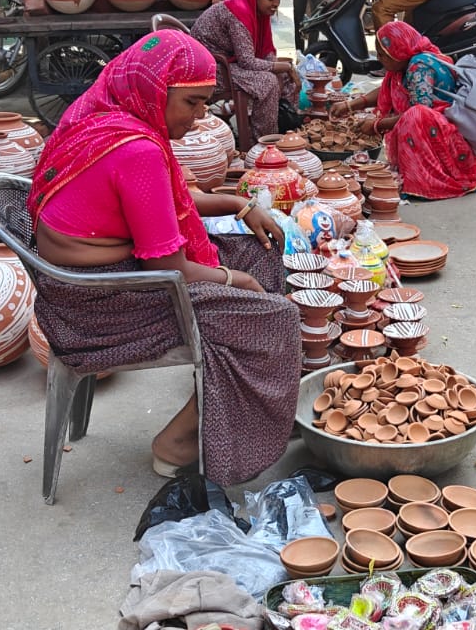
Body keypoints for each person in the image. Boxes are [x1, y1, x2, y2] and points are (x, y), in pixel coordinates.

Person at [27, 29, 300, 485]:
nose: (200, 116)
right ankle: (175, 444)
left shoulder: (106, 113)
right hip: (97, 303)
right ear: (156, 90)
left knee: (261, 256)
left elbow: (173, 207)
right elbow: (168, 267)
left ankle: (247, 396)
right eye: (191, 102)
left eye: (206, 103)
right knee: (272, 316)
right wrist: (235, 282)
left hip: (86, 277)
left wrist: (240, 204)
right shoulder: (136, 149)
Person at [329, 21, 476, 200]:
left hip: (450, 141)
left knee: (415, 117)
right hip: (438, 132)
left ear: (400, 50)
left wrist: (377, 125)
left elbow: (419, 112)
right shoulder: (404, 63)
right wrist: (350, 105)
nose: (379, 58)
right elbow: (387, 89)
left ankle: (425, 182)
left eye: (383, 55)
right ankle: (414, 172)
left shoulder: (420, 66)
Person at [190, 0, 302, 150]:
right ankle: (263, 145)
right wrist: (284, 67)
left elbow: (263, 53)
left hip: (229, 62)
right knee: (267, 82)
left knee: (286, 78)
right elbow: (247, 61)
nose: (275, 4)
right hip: (209, 69)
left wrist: (285, 69)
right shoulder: (239, 12)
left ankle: (286, 134)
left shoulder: (257, 12)